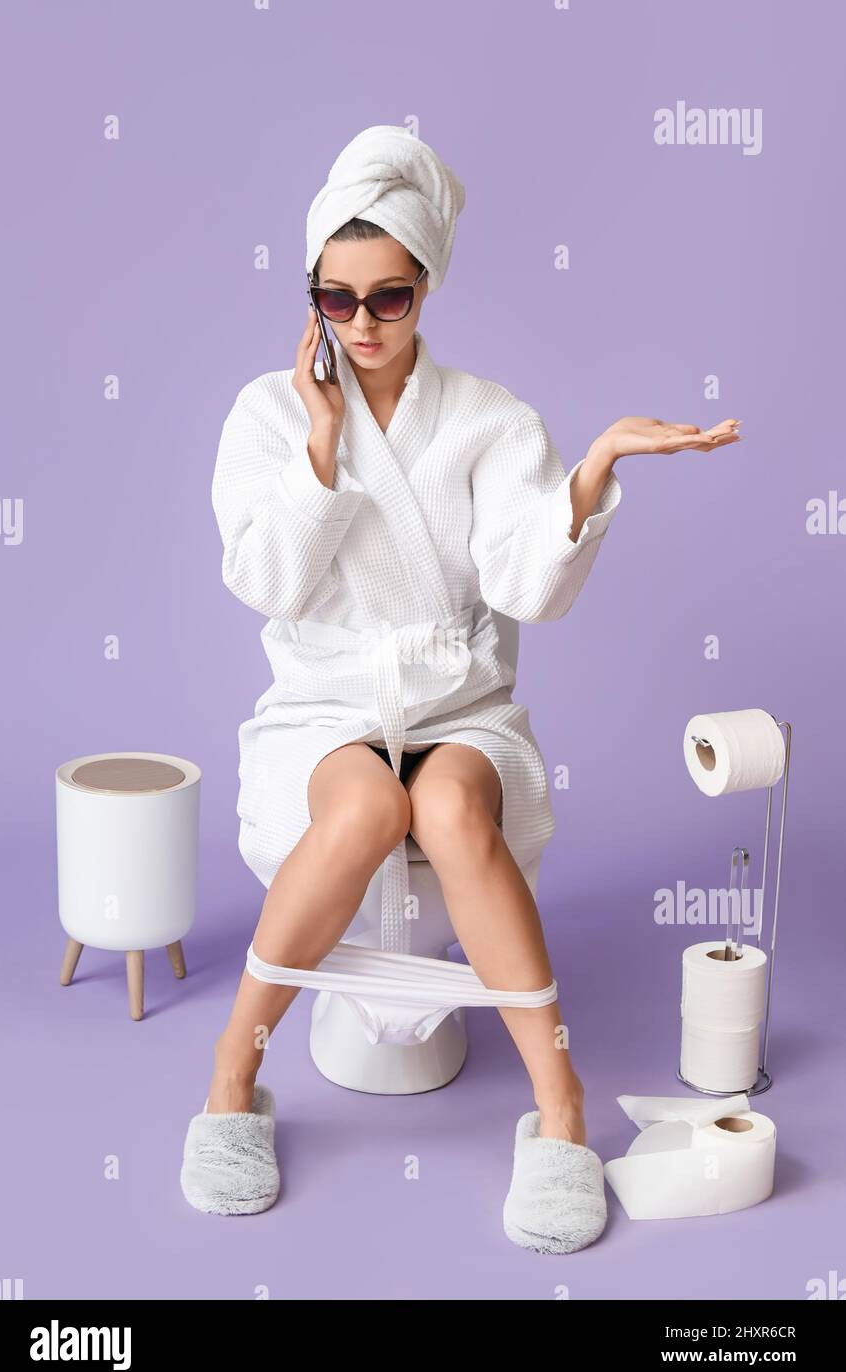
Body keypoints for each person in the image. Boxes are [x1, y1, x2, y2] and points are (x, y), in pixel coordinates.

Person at [180, 126, 740, 1252]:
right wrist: (323, 450)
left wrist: (584, 478)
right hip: (325, 708)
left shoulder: (487, 417)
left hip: (460, 706)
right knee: (364, 808)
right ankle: (231, 1079)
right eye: (333, 300)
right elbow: (267, 581)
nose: (362, 327)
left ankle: (560, 1110)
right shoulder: (266, 415)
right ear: (312, 296)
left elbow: (526, 585)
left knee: (445, 806)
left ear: (425, 284)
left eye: (388, 298)